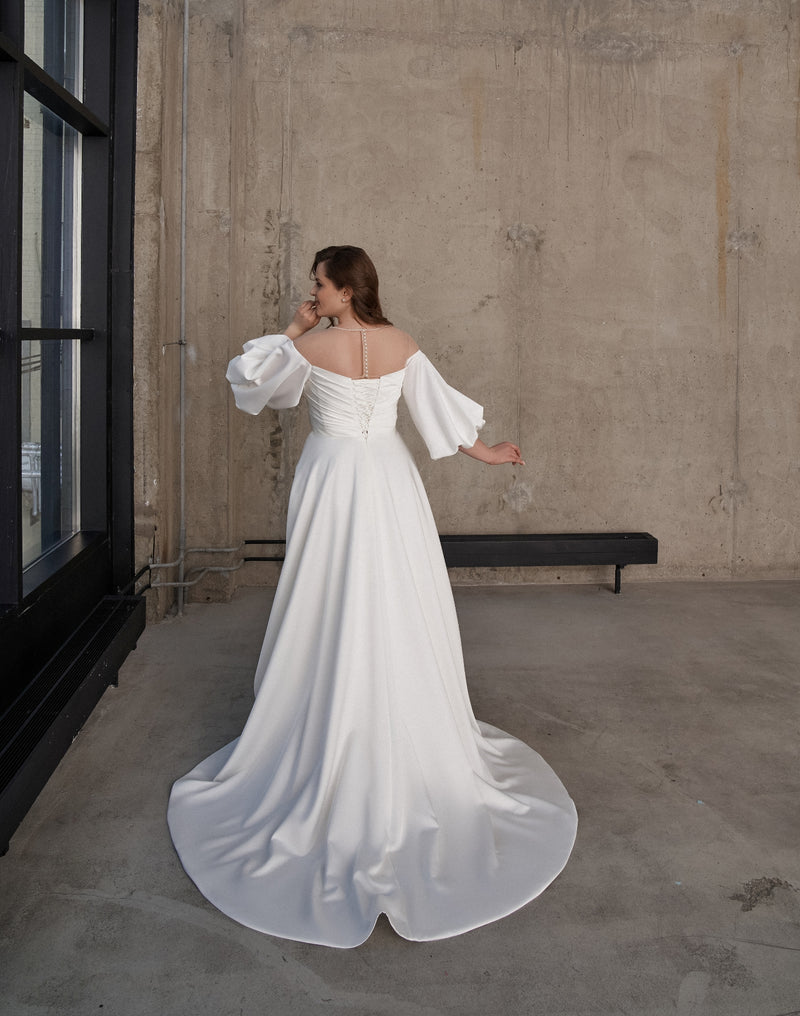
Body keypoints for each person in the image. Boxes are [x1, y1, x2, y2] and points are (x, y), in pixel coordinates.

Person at [168, 245, 577, 948]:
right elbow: (439, 418)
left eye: (319, 286)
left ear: (344, 290)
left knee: (327, 599)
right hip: (388, 479)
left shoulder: (314, 347)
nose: (312, 293)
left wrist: (294, 331)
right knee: (398, 596)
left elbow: (251, 381)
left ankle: (327, 720)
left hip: (332, 479)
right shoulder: (403, 344)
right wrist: (493, 453)